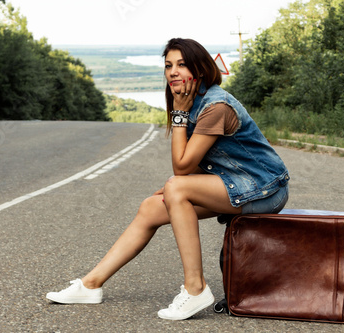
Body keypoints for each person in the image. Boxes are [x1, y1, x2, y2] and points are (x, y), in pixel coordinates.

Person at [46, 38, 290, 321]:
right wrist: (183, 184)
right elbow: (210, 162)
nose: (173, 71)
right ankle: (91, 284)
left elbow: (183, 167)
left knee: (176, 186)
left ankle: (195, 287)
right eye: (168, 65)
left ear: (199, 70)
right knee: (152, 206)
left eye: (182, 64)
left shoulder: (215, 106)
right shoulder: (194, 100)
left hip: (266, 189)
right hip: (239, 184)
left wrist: (179, 117)